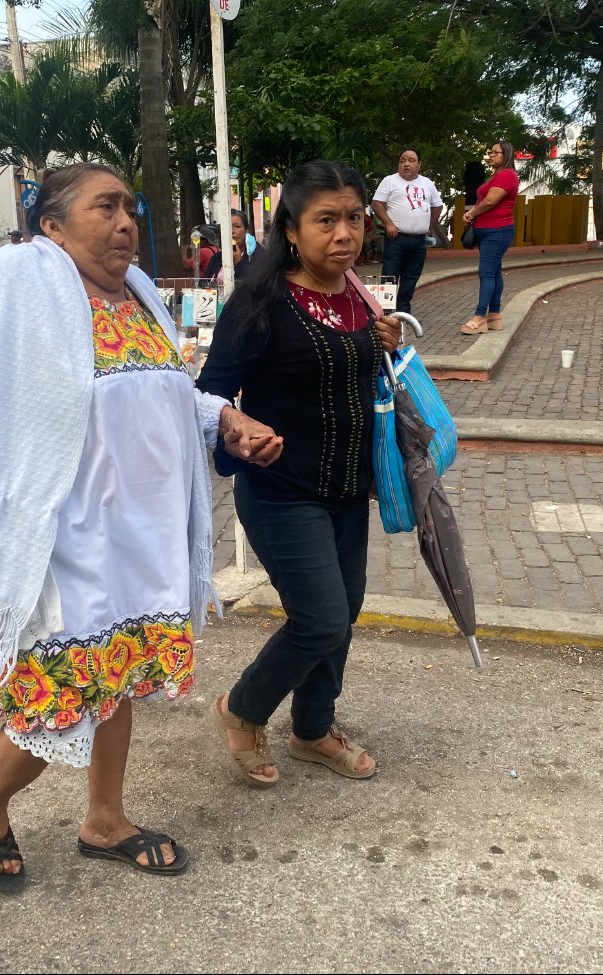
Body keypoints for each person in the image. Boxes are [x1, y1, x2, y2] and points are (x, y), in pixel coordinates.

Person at [0, 162, 281, 890]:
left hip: (137, 540)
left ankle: (105, 819)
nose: (126, 222)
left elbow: (164, 396)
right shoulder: (13, 281)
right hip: (60, 541)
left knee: (115, 676)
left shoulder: (141, 294)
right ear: (51, 224)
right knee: (61, 691)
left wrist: (226, 419)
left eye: (132, 208)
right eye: (105, 207)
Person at [196, 160, 403, 787]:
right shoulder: (260, 302)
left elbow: (358, 381)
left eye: (354, 219)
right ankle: (242, 709)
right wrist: (239, 436)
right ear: (290, 229)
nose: (344, 234)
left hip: (348, 491)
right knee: (320, 618)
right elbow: (211, 394)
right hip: (281, 493)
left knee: (344, 615)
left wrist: (383, 342)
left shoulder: (360, 297)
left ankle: (313, 728)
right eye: (326, 221)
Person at [371, 148, 444, 313]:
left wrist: (429, 226)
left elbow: (437, 205)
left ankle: (403, 309)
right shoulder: (390, 181)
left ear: (419, 164)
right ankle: (385, 312)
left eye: (411, 160)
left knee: (412, 276)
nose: (406, 164)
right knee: (390, 275)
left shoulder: (427, 183)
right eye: (402, 160)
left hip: (419, 240)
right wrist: (389, 223)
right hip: (396, 238)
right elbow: (376, 204)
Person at [461, 140, 520, 334]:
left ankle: (479, 318)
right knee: (493, 272)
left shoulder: (507, 175)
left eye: (496, 152)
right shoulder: (496, 175)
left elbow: (490, 201)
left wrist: (471, 214)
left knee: (485, 272)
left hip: (498, 230)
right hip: (489, 230)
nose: (491, 155)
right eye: (491, 151)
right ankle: (494, 315)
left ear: (506, 155)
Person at [204, 209, 252, 283]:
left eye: (237, 226)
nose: (232, 231)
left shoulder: (257, 257)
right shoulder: (216, 258)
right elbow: (203, 284)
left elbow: (254, 288)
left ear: (246, 230)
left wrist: (239, 263)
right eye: (227, 227)